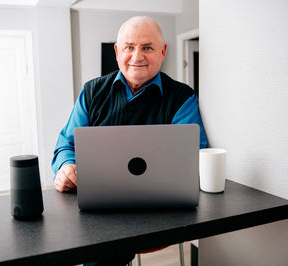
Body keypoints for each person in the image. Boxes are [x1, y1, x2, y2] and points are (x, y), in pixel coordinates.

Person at [52, 15, 207, 265]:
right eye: (129, 47)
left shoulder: (182, 98)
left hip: (158, 211)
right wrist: (65, 167)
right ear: (117, 51)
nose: (137, 57)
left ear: (163, 51)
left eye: (147, 47)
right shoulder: (91, 93)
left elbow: (194, 157)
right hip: (99, 208)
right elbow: (66, 145)